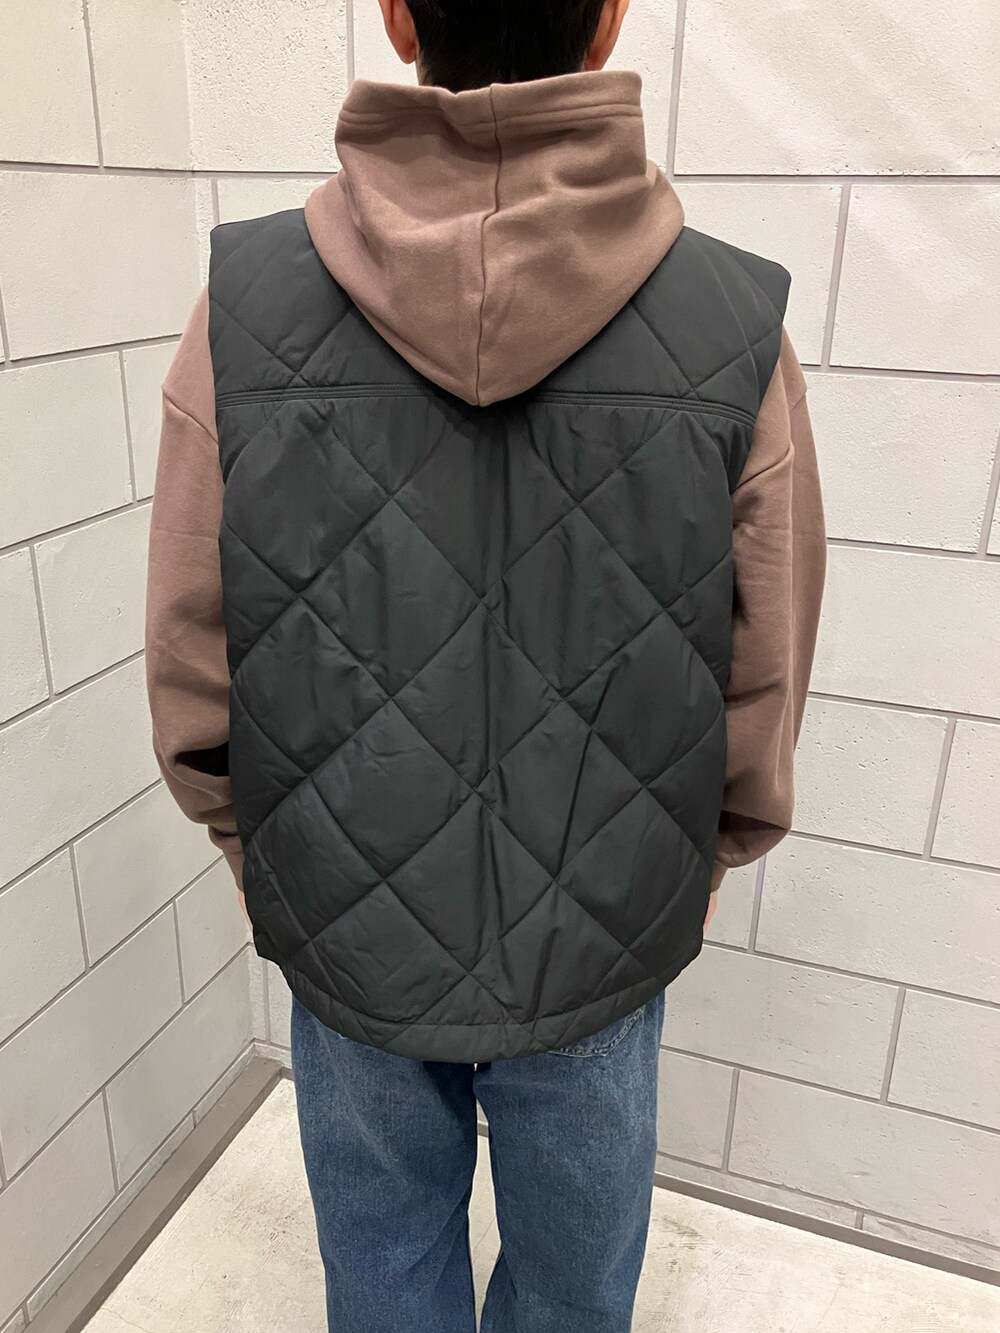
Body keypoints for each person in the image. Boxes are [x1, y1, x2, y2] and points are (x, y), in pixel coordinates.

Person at [145, 0, 826, 1328]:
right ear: (610, 18)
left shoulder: (243, 306)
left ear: (398, 16)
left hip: (345, 912)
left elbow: (190, 637)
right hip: (605, 921)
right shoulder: (734, 323)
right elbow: (767, 653)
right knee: (574, 1291)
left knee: (383, 1277)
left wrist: (255, 843)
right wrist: (703, 852)